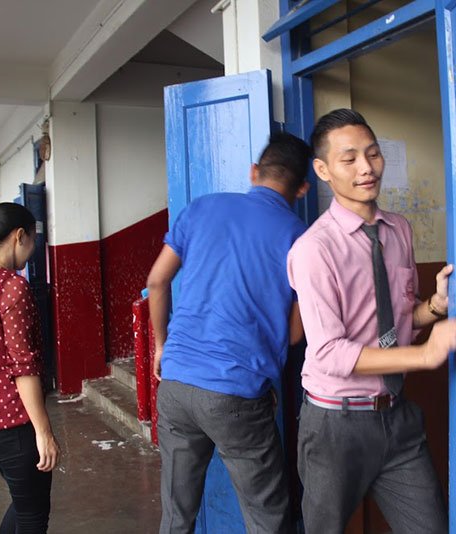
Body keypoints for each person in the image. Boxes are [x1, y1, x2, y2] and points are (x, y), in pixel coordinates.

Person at [287, 109, 456, 534]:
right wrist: (424, 356)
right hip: (336, 424)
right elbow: (330, 353)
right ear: (323, 170)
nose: (366, 168)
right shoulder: (314, 249)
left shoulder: (399, 230)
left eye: (373, 154)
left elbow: (400, 318)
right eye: (349, 159)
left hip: (397, 419)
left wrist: (436, 306)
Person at [147, 132, 312, 534]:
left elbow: (157, 281)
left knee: (176, 516)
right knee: (266, 517)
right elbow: (294, 335)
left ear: (254, 172)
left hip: (176, 383)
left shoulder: (201, 209)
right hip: (237, 392)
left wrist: (161, 346)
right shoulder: (301, 238)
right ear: (302, 189)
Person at [0, 203, 60, 533]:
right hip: (13, 426)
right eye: (32, 241)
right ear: (20, 237)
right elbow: (24, 368)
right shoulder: (12, 287)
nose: (32, 250)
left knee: (24, 505)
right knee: (33, 515)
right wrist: (43, 432)